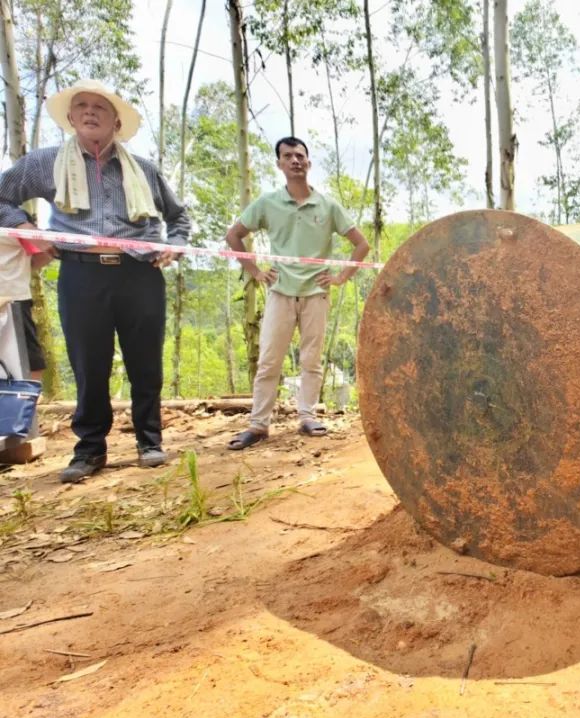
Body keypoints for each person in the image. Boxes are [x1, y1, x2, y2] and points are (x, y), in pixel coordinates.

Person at [0, 79, 190, 483]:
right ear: (70, 118)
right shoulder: (45, 163)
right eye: (81, 106)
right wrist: (29, 229)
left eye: (100, 108)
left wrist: (175, 245)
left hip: (141, 273)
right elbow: (3, 199)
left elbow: (179, 217)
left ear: (116, 121)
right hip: (81, 274)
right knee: (89, 364)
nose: (90, 112)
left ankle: (150, 441)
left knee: (145, 361)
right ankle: (89, 449)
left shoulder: (145, 170)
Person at [224, 137, 370, 450]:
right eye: (288, 156)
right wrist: (256, 272)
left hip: (316, 292)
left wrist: (342, 276)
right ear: (279, 164)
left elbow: (361, 244)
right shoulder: (267, 203)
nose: (295, 161)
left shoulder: (327, 205)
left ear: (308, 162)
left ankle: (307, 416)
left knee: (311, 359)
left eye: (300, 156)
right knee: (269, 361)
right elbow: (234, 235)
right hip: (280, 292)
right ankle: (258, 424)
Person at [0, 237, 53, 381]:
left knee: (28, 356)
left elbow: (47, 251)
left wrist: (20, 269)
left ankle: (28, 398)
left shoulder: (15, 218)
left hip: (13, 297)